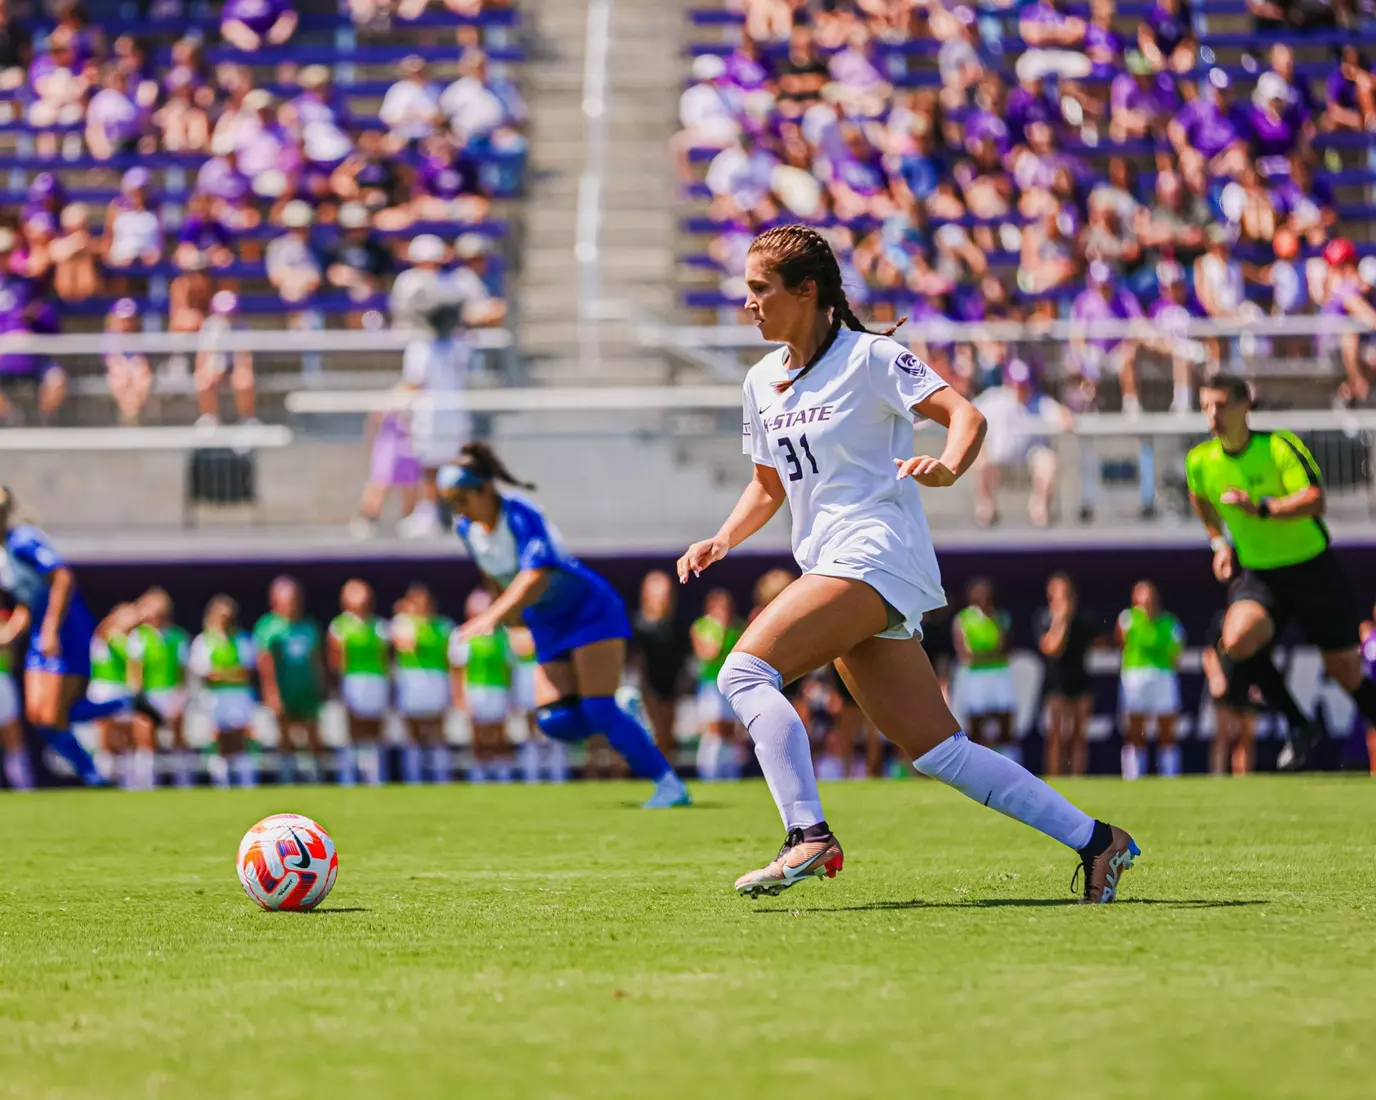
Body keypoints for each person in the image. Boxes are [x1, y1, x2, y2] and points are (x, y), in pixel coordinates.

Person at [676, 224, 1137, 901]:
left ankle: (808, 835)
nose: (748, 303)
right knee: (938, 752)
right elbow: (767, 485)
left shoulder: (871, 358)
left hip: (876, 551)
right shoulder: (759, 380)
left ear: (806, 292)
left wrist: (948, 467)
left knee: (744, 672)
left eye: (759, 289)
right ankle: (1099, 841)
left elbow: (967, 417)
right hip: (835, 562)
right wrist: (722, 538)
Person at [437, 442, 691, 807]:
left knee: (597, 706)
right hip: (546, 621)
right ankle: (620, 709)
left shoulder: (520, 513)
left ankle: (670, 786)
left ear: (486, 489)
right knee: (554, 721)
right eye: (451, 502)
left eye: (463, 498)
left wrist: (492, 616)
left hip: (588, 609)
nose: (458, 509)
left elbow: (535, 575)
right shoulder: (466, 529)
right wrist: (513, 624)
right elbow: (493, 578)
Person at [1184, 372, 1376, 771]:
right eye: (1205, 407)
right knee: (1236, 639)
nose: (1213, 415)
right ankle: (1299, 724)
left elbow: (1315, 500)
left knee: (1345, 672)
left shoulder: (1277, 446)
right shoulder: (1200, 460)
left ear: (1244, 406)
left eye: (1221, 405)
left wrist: (1263, 508)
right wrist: (1219, 543)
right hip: (1260, 575)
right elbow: (1199, 498)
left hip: (1312, 569)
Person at [0, 487, 124, 786]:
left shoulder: (24, 539)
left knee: (54, 713)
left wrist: (51, 629)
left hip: (66, 629)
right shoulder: (3, 555)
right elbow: (27, 601)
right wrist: (10, 634)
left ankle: (96, 768)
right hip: (39, 632)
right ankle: (119, 710)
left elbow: (62, 577)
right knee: (39, 716)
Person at [253, 576, 327, 784]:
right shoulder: (268, 627)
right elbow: (265, 664)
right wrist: (271, 692)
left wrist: (320, 685)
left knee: (314, 734)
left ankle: (317, 778)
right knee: (285, 735)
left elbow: (315, 660)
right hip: (284, 689)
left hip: (306, 689)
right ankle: (288, 778)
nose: (293, 604)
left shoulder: (308, 627)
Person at [1116, 581, 1185, 780]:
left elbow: (1176, 652)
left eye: (1150, 596)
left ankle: (1170, 776)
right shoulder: (1127, 619)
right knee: (1135, 730)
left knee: (1167, 729)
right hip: (1134, 678)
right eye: (1142, 596)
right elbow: (1121, 644)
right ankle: (1133, 777)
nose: (1147, 600)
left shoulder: (1169, 622)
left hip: (1163, 677)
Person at [126, 588, 194, 789]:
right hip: (149, 695)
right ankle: (146, 782)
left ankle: (183, 781)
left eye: (161, 613)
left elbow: (182, 671)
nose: (157, 617)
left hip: (172, 693)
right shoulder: (139, 636)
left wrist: (180, 695)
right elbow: (135, 671)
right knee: (145, 739)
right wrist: (139, 698)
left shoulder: (178, 637)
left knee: (178, 738)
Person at [189, 596, 257, 789]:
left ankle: (245, 781)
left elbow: (245, 672)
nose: (226, 621)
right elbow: (205, 673)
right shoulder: (204, 641)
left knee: (240, 737)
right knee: (218, 738)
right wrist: (229, 674)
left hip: (239, 696)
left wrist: (222, 674)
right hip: (215, 697)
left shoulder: (242, 639)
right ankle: (221, 781)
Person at [1035, 573, 1099, 777]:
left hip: (1080, 681)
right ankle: (1054, 777)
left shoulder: (1084, 619)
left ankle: (1077, 776)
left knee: (1079, 734)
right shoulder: (1043, 618)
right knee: (1056, 734)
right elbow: (1051, 648)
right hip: (1056, 683)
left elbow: (1097, 642)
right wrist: (1061, 621)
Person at [327, 579, 391, 786]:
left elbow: (384, 659)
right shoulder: (339, 626)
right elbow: (336, 661)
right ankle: (350, 778)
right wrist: (339, 687)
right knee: (353, 730)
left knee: (375, 731)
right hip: (353, 681)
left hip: (376, 680)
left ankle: (376, 777)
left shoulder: (379, 626)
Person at [391, 582, 455, 784]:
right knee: (413, 732)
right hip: (412, 682)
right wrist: (406, 617)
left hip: (436, 681)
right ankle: (414, 779)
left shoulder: (444, 626)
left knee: (438, 730)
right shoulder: (402, 624)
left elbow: (451, 659)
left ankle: (441, 778)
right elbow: (407, 645)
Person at [448, 587, 514, 783]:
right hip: (475, 690)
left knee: (499, 733)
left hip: (499, 689)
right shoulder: (462, 634)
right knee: (478, 734)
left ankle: (502, 775)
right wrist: (460, 697)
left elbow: (508, 666)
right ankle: (480, 774)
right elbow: (458, 669)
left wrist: (511, 694)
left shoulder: (503, 635)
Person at [953, 578, 1020, 762]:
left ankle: (1009, 762)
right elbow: (966, 654)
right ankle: (979, 763)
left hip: (1000, 674)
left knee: (1005, 720)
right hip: (976, 677)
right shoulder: (963, 618)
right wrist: (989, 653)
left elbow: (1004, 647)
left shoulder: (1001, 617)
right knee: (976, 723)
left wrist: (983, 653)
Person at [630, 570, 687, 760]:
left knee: (667, 735)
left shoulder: (676, 625)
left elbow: (682, 659)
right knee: (654, 733)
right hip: (647, 687)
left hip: (670, 686)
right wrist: (645, 688)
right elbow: (637, 659)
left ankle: (667, 770)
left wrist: (680, 685)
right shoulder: (639, 624)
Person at [692, 588, 745, 781]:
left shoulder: (739, 628)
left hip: (731, 685)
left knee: (730, 731)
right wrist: (720, 629)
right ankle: (709, 773)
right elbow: (709, 653)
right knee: (713, 731)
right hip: (710, 686)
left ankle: (730, 774)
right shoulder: (701, 627)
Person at [1202, 609, 1258, 776]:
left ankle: (1243, 778)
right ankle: (1217, 776)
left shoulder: (1253, 619)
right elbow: (1209, 653)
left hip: (1247, 682)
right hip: (1225, 682)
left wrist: (1259, 682)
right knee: (1222, 735)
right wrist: (1215, 677)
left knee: (1246, 736)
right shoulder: (1221, 619)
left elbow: (1261, 654)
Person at [89, 602, 139, 787]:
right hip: (103, 691)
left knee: (127, 737)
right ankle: (102, 777)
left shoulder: (132, 640)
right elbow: (100, 631)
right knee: (105, 736)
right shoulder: (105, 636)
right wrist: (116, 619)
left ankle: (129, 780)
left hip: (123, 691)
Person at [509, 624, 567, 784]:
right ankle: (532, 771)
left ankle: (556, 771)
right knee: (530, 724)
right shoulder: (517, 627)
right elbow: (520, 647)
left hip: (546, 671)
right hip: (525, 675)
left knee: (552, 720)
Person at [0, 604, 28, 789]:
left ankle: (24, 786)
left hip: (3, 682)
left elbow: (7, 640)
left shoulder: (4, 618)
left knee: (13, 737)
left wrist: (20, 616)